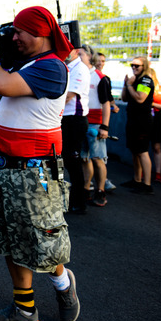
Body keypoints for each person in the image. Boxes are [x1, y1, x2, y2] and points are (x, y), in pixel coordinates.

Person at [0, 6, 79, 321]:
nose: (14, 37)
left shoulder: (52, 67)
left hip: (35, 171)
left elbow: (3, 86)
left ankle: (63, 284)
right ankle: (25, 311)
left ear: (41, 32)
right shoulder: (26, 65)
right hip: (5, 165)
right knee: (11, 241)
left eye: (20, 31)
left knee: (43, 242)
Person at [80, 45, 113, 207]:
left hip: (95, 123)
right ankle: (86, 189)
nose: (77, 56)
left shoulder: (100, 77)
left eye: (80, 54)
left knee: (97, 158)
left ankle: (100, 190)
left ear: (88, 56)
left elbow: (106, 103)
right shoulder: (76, 73)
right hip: (81, 121)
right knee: (84, 157)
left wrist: (105, 126)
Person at [120, 56, 155, 194]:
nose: (134, 68)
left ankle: (147, 184)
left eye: (137, 66)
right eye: (132, 65)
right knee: (135, 150)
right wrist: (125, 84)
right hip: (133, 120)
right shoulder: (134, 80)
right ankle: (137, 179)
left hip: (143, 121)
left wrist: (129, 86)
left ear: (144, 67)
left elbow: (140, 98)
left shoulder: (145, 80)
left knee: (142, 151)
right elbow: (123, 98)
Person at [63, 47, 90, 214]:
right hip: (64, 120)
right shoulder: (66, 67)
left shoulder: (80, 69)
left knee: (73, 162)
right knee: (64, 162)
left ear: (76, 50)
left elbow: (67, 97)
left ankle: (79, 202)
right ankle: (69, 199)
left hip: (74, 120)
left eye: (68, 48)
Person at [95, 51, 118, 192]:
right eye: (99, 60)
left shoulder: (105, 79)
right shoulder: (89, 75)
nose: (100, 63)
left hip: (99, 121)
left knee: (99, 156)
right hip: (88, 120)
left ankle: (103, 183)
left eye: (103, 61)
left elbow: (108, 99)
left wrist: (113, 106)